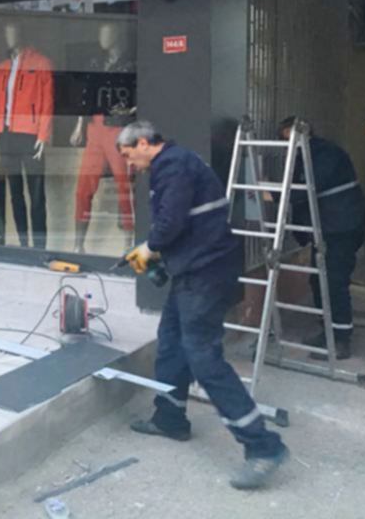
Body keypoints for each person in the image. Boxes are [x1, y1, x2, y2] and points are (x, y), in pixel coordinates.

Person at [118, 121, 288, 490]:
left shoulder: (172, 166)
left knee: (204, 358)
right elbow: (185, 222)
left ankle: (264, 447)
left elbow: (170, 222)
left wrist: (149, 248)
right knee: (171, 342)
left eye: (129, 155)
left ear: (144, 143)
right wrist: (158, 252)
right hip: (194, 270)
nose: (130, 164)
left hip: (206, 274)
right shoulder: (178, 161)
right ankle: (170, 418)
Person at [278, 117, 365, 359]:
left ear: (305, 133)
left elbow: (308, 187)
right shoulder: (305, 154)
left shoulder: (325, 154)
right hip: (326, 229)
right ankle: (328, 332)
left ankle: (340, 340)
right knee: (319, 281)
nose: (288, 144)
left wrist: (273, 195)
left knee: (333, 282)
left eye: (290, 138)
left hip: (341, 229)